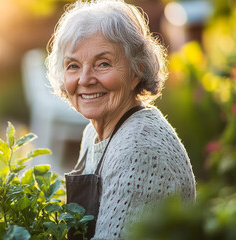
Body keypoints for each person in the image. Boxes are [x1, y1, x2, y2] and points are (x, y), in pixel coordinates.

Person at [45, 0, 196, 239]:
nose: (85, 79)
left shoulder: (139, 148)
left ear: (137, 70)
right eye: (73, 66)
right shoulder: (93, 133)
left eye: (103, 64)